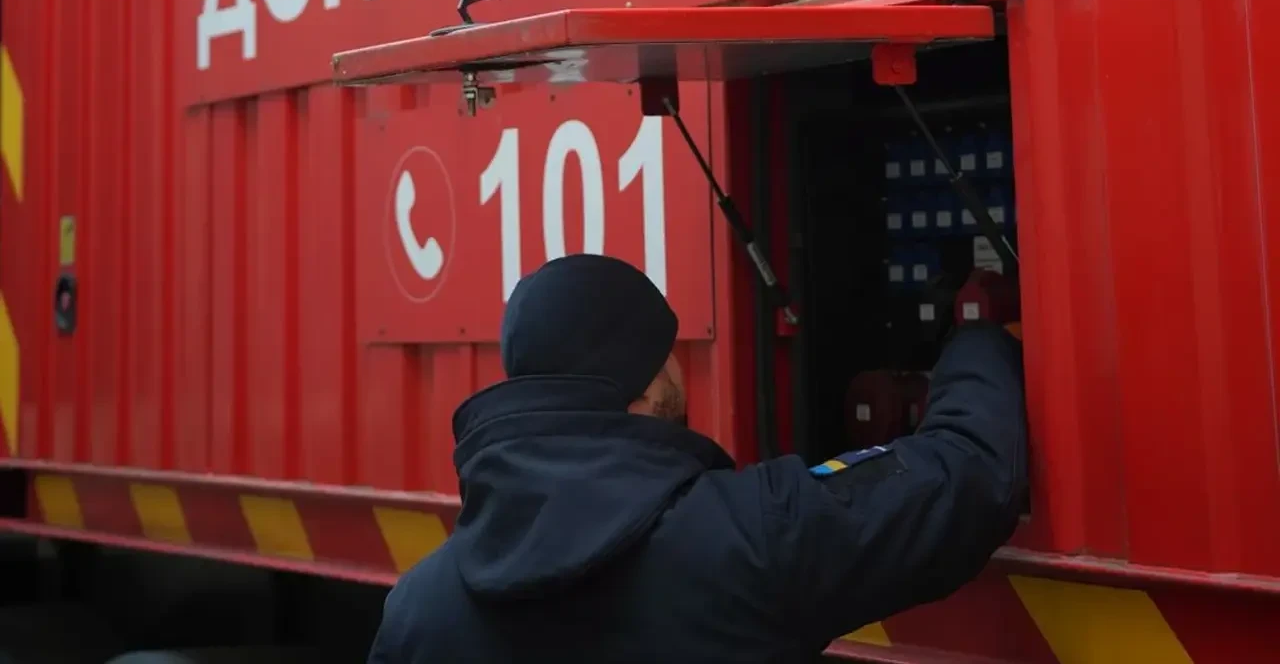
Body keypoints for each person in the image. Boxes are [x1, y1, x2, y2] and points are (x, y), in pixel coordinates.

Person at [368, 254, 1027, 663]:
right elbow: (972, 472)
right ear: (645, 381)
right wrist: (977, 334)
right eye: (669, 352)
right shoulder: (748, 537)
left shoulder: (420, 610)